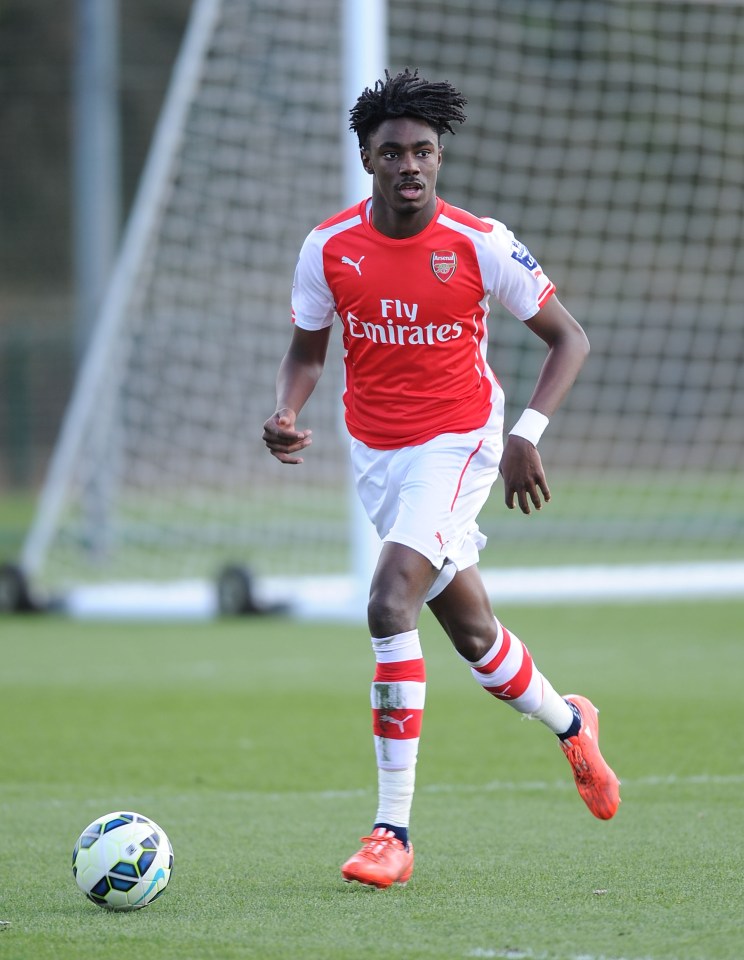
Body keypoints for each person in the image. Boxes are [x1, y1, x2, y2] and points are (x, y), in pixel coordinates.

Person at [262, 68, 620, 889]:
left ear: (440, 158)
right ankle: (572, 722)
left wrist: (527, 432)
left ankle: (392, 832)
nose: (411, 166)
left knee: (389, 602)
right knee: (472, 634)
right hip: (377, 457)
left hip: (460, 442)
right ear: (367, 158)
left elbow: (570, 338)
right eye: (394, 153)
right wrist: (285, 411)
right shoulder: (329, 248)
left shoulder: (480, 242)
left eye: (424, 151)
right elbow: (308, 354)